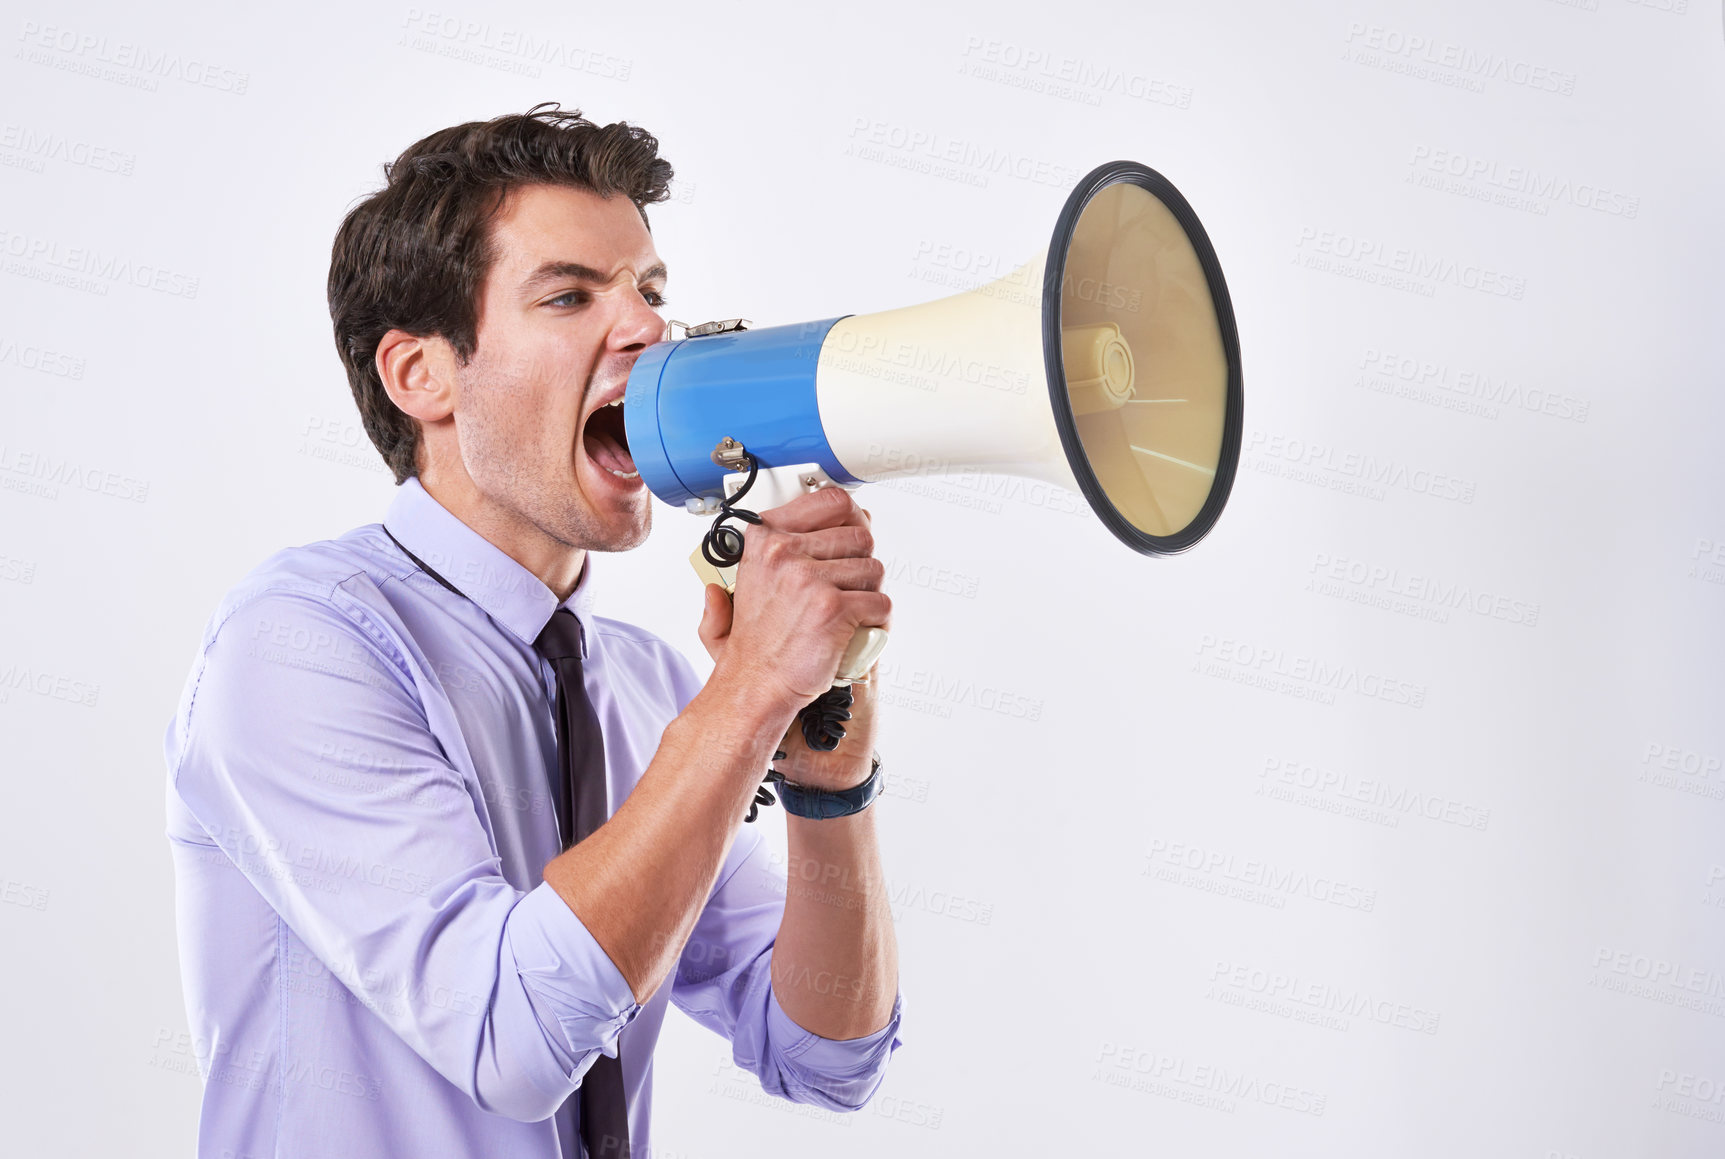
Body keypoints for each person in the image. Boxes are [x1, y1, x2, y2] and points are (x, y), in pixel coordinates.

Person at [163, 102, 902, 1159]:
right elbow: (511, 1038)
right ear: (422, 375)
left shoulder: (644, 686)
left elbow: (826, 1054)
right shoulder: (298, 645)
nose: (650, 329)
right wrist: (745, 694)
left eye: (651, 292)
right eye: (570, 295)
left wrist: (830, 786)